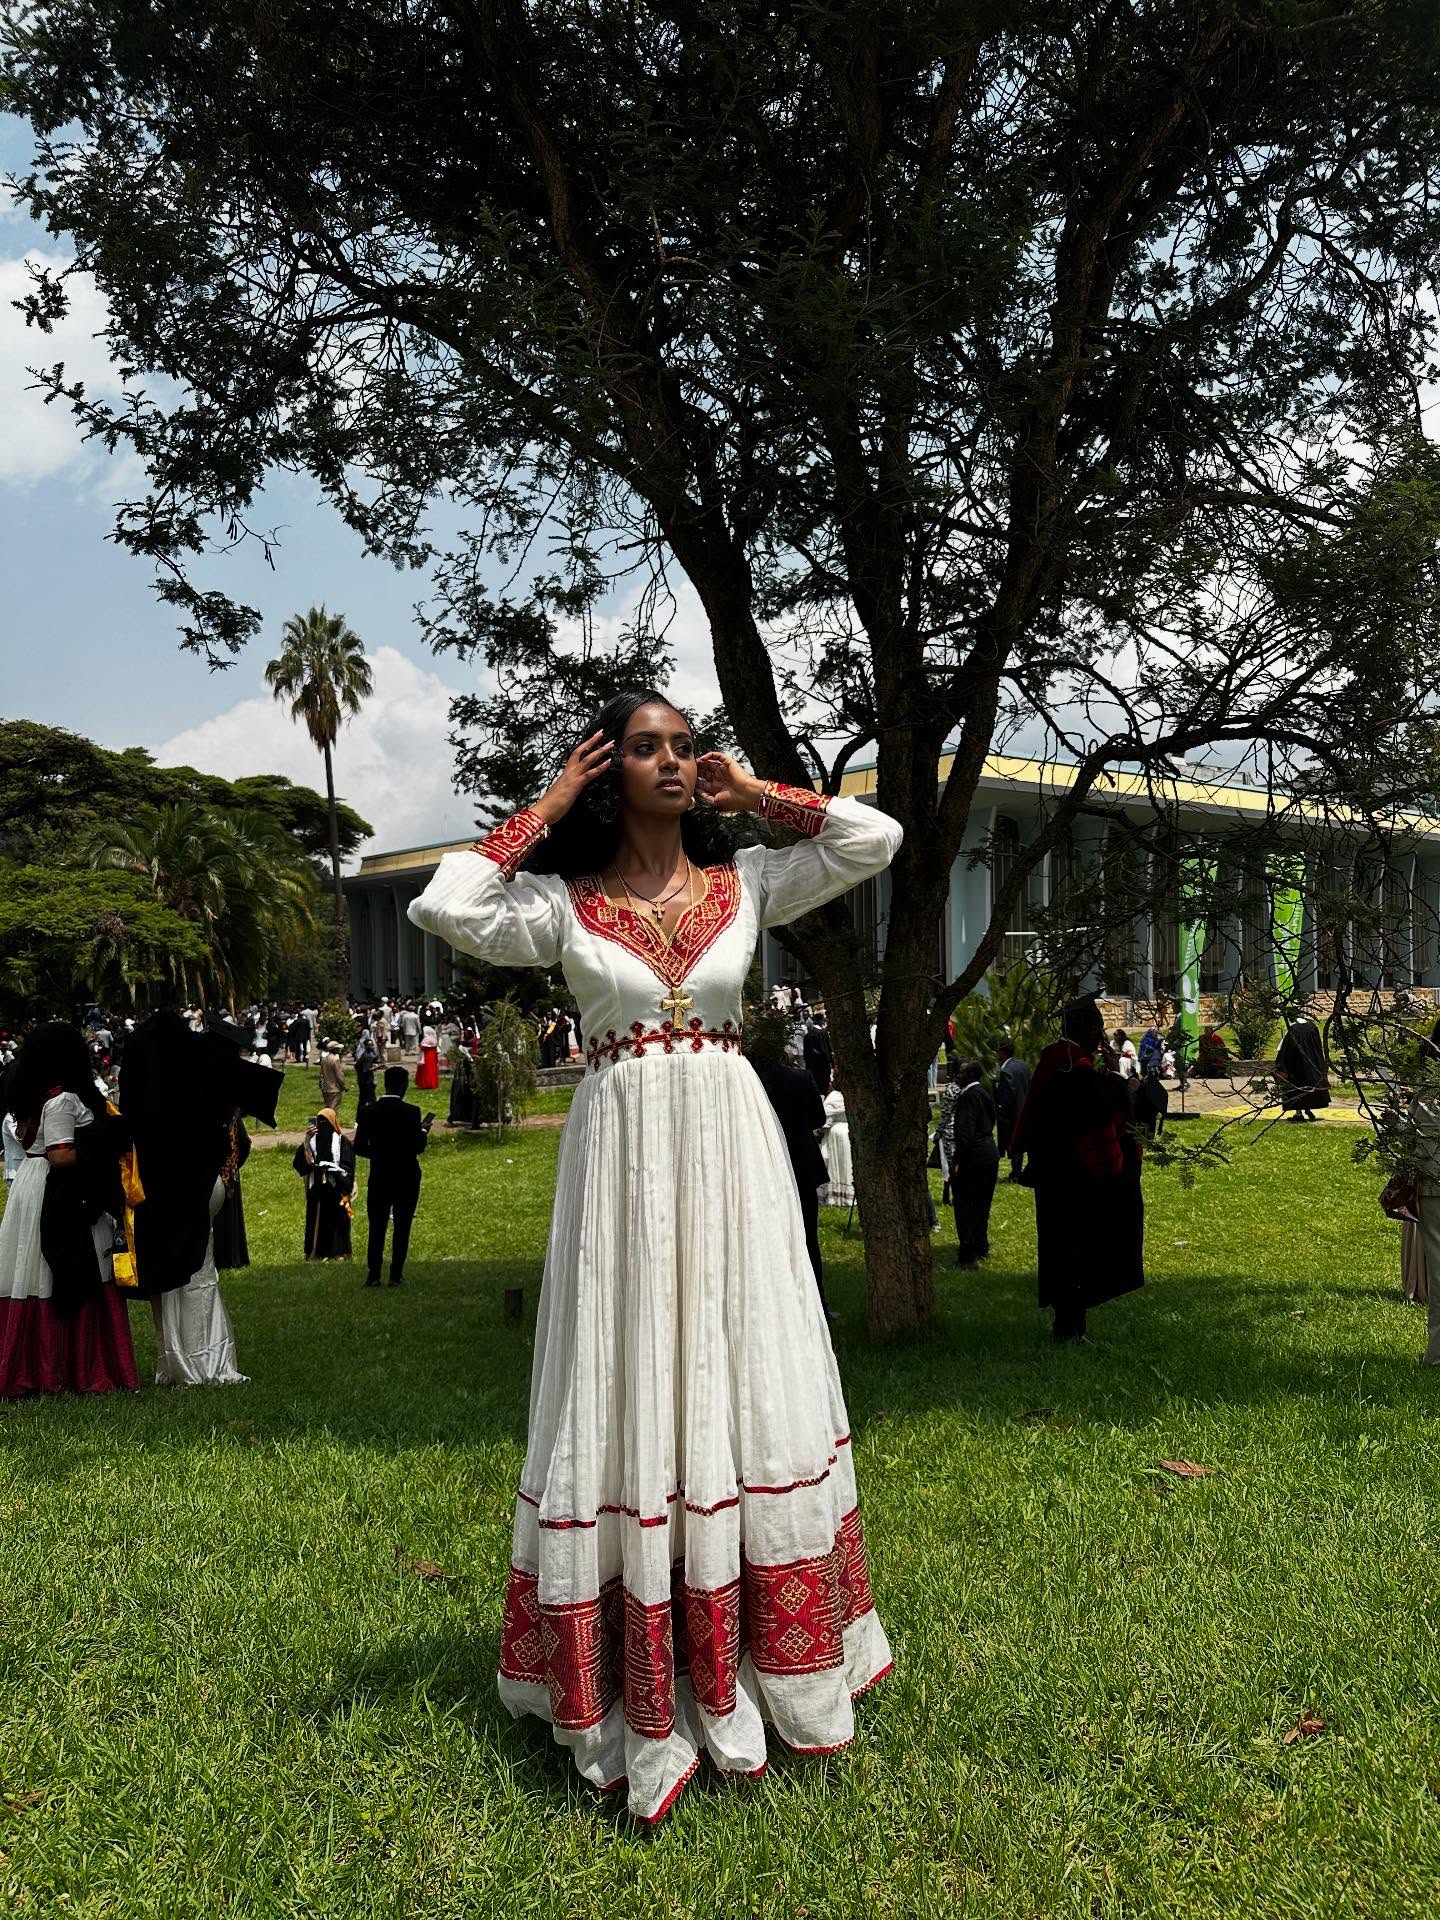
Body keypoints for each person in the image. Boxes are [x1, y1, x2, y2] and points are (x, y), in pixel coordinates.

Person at [407, 685, 900, 1823]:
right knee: (625, 1376)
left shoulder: (750, 883)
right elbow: (445, 902)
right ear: (608, 769)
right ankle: (635, 1677)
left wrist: (758, 792)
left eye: (684, 746)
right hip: (621, 1174)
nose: (673, 761)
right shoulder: (564, 907)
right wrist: (546, 809)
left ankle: (757, 1665)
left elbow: (873, 838)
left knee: (744, 1365)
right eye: (645, 747)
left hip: (735, 1166)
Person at [0, 1022, 138, 1397]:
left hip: (32, 1184)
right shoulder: (62, 1099)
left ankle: (36, 1365)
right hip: (58, 1189)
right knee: (68, 1267)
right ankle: (69, 1368)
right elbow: (61, 1155)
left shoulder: (32, 1097)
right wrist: (102, 1147)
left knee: (32, 1272)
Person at [1010, 996, 1145, 1343]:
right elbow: (1103, 1114)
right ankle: (1070, 1328)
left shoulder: (1055, 1060)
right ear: (1089, 1029)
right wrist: (1118, 1079)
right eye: (1097, 1027)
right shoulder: (1076, 1071)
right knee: (1076, 1252)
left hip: (1053, 1176)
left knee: (1060, 1250)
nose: (1100, 1034)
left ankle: (1068, 1325)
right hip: (1075, 1181)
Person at [748, 1009, 834, 1321]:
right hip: (800, 1163)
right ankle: (817, 1303)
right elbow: (818, 1118)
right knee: (808, 1237)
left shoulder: (751, 1084)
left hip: (762, 1165)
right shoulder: (800, 1078)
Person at [355, 1065, 433, 1287]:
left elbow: (359, 1146)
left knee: (377, 1226)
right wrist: (423, 1132)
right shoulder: (412, 1112)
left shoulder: (369, 1111)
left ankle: (373, 1275)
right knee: (402, 1226)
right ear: (403, 1086)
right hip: (406, 1174)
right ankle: (396, 1275)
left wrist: (379, 1154)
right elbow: (418, 1146)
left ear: (386, 1084)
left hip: (380, 1174)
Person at [946, 1059, 999, 1269]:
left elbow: (965, 1133)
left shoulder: (967, 1097)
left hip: (973, 1156)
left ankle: (967, 1256)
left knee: (965, 1205)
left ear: (970, 1075)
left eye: (961, 1073)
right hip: (988, 1152)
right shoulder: (984, 1093)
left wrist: (957, 1160)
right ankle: (981, 1245)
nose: (957, 1076)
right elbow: (992, 1118)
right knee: (982, 1204)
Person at [293, 1109, 355, 1259]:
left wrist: (335, 1172)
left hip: (337, 1190)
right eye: (319, 1122)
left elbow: (348, 1167)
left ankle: (339, 1251)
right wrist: (307, 1144)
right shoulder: (311, 1142)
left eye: (325, 1122)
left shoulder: (342, 1142)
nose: (322, 1126)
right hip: (317, 1190)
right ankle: (315, 1252)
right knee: (316, 1221)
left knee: (340, 1219)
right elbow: (299, 1164)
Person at [1275, 1008, 1330, 1122]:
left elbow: (1285, 1048)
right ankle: (1308, 1108)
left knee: (1297, 1087)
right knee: (1310, 1084)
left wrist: (1281, 1064)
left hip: (1297, 1065)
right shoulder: (1312, 1027)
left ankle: (1299, 1113)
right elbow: (1318, 1047)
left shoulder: (1293, 1029)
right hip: (1312, 1064)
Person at [993, 1037, 1031, 1182]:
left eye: (998, 1051)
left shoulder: (1006, 1071)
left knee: (1012, 1143)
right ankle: (1017, 1171)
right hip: (1024, 1109)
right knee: (1019, 1143)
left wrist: (1001, 1109)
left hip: (1011, 1113)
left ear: (1003, 1052)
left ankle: (1015, 1173)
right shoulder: (1023, 1066)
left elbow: (1008, 1095)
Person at [818, 1083, 853, 1207]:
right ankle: (848, 1196)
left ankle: (835, 1197)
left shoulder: (835, 1096)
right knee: (847, 1165)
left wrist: (819, 1131)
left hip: (836, 1136)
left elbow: (824, 1121)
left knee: (836, 1165)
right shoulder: (854, 1094)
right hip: (850, 1134)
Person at [803, 1008, 834, 1097]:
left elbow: (806, 1053)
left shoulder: (808, 1035)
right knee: (824, 1084)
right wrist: (831, 1061)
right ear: (821, 1020)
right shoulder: (823, 1033)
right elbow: (827, 1049)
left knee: (816, 1085)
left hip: (812, 1065)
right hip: (823, 1064)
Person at [353, 1020, 379, 1113]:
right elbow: (366, 1070)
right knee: (371, 1099)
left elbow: (357, 1066)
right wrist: (378, 1067)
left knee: (362, 1099)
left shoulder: (365, 1054)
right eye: (370, 1045)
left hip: (362, 1080)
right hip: (367, 1082)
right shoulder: (367, 1056)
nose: (372, 1047)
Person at [318, 1040, 348, 1116]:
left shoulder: (324, 1059)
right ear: (334, 1050)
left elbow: (321, 1074)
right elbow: (339, 1075)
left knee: (327, 1108)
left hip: (325, 1088)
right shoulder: (335, 1060)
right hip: (334, 1088)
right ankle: (332, 1123)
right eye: (337, 1049)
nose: (339, 1050)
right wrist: (344, 1086)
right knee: (334, 1110)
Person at [415, 1019, 440, 1091]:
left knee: (426, 1069)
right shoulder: (434, 1039)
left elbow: (423, 1047)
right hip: (432, 1055)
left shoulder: (426, 1039)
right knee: (432, 1069)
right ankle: (432, 1083)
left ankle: (425, 1083)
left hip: (426, 1055)